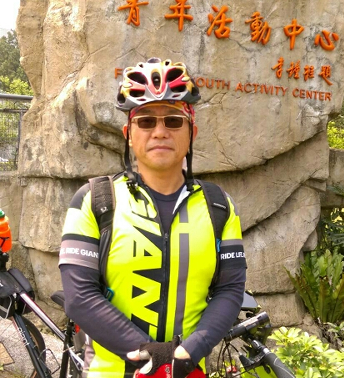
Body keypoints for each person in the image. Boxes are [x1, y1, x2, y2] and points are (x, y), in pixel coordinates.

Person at [59, 58, 247, 378]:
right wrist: (153, 356)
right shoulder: (94, 201)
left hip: (187, 370)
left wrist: (188, 353)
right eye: (146, 121)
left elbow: (230, 290)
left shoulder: (219, 206)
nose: (160, 132)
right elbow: (79, 297)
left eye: (173, 121)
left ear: (191, 132)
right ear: (129, 134)